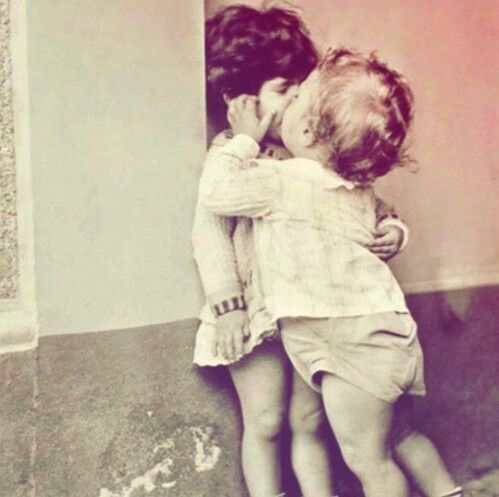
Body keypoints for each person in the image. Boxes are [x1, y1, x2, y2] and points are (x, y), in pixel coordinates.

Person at [197, 47, 462, 497]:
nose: (291, 98)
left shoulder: (282, 180)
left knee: (369, 460)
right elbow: (381, 214)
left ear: (305, 130)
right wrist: (396, 231)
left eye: (298, 96)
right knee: (391, 435)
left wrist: (242, 140)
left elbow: (216, 192)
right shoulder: (351, 184)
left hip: (346, 339)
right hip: (375, 333)